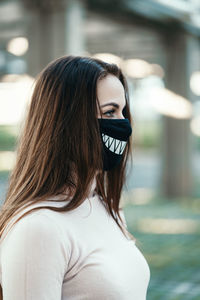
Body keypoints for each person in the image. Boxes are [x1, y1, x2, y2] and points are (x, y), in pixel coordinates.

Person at [0, 55, 150, 300]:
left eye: (123, 111)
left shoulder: (105, 205)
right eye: (110, 112)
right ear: (67, 121)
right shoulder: (37, 229)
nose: (125, 125)